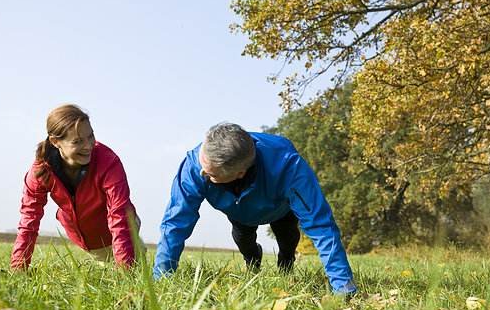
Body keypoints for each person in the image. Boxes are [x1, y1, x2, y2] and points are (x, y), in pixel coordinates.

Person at [153, 123, 357, 294]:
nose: (201, 174)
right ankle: (253, 261)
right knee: (243, 240)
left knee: (287, 238)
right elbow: (176, 222)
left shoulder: (288, 166)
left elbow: (321, 225)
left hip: (279, 208)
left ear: (239, 173)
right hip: (239, 212)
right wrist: (161, 279)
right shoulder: (194, 165)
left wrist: (343, 287)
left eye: (211, 175)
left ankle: (286, 264)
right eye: (202, 165)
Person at [10, 104, 138, 269]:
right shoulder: (41, 171)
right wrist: (18, 267)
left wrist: (125, 269)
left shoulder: (108, 162)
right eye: (77, 141)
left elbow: (120, 214)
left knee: (134, 269)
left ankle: (135, 255)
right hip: (88, 239)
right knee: (106, 265)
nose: (88, 145)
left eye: (91, 136)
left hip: (122, 229)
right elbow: (29, 219)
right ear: (55, 142)